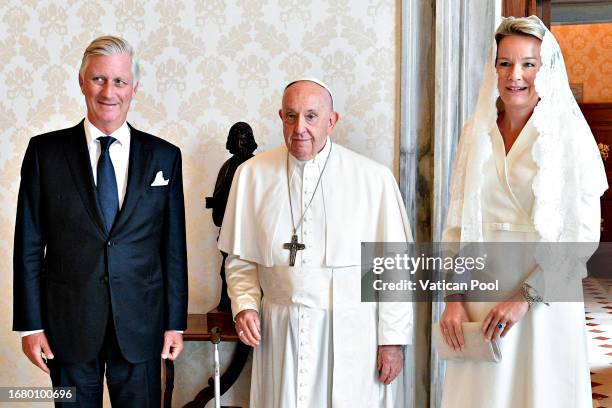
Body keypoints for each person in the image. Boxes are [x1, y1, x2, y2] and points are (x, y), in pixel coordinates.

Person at [439, 16, 607, 407]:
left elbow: (580, 236)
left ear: (544, 68)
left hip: (542, 299)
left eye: (528, 63)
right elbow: (458, 223)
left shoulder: (568, 136)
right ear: (493, 68)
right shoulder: (474, 132)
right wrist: (452, 297)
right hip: (478, 296)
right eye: (505, 63)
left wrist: (523, 299)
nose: (516, 75)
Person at [13, 36, 188, 407]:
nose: (109, 91)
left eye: (119, 81)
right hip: (68, 325)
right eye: (98, 79)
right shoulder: (45, 153)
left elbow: (173, 248)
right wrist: (31, 325)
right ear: (81, 82)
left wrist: (175, 322)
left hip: (142, 327)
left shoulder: (165, 157)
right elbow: (28, 245)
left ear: (134, 88)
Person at [218, 78, 413, 407]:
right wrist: (245, 306)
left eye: (311, 116)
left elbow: (393, 268)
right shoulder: (251, 175)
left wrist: (392, 341)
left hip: (351, 332)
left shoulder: (373, 179)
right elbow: (240, 260)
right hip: (280, 334)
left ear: (332, 121)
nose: (300, 128)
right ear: (281, 117)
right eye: (291, 116)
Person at [206, 122, 257, 311]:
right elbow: (220, 194)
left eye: (244, 138)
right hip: (230, 228)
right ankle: (227, 304)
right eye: (237, 138)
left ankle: (250, 307)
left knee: (253, 271)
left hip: (253, 230)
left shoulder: (257, 166)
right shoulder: (227, 167)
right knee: (227, 269)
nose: (240, 142)